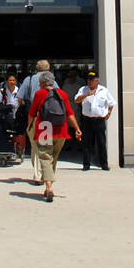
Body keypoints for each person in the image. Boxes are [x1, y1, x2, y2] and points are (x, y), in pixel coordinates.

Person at [27, 72, 82, 202]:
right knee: (53, 158)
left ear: (44, 82)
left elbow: (32, 113)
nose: (39, 84)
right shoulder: (62, 94)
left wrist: (29, 126)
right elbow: (70, 113)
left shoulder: (39, 94)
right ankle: (48, 187)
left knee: (45, 157)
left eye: (40, 82)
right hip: (61, 129)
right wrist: (77, 128)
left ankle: (49, 187)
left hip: (44, 128)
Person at [16, 59, 51, 184]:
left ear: (36, 69)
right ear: (48, 69)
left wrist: (26, 107)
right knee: (45, 146)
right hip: (47, 118)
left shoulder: (28, 80)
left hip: (32, 117)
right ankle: (42, 174)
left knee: (35, 146)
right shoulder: (51, 79)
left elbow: (19, 98)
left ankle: (38, 174)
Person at [73, 71, 116, 170]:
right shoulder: (83, 89)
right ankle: (86, 165)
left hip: (99, 120)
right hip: (87, 120)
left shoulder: (104, 90)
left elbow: (112, 103)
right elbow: (76, 100)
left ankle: (104, 164)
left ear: (97, 80)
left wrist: (109, 113)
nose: (89, 81)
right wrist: (87, 94)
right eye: (88, 79)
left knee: (101, 143)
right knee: (86, 143)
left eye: (92, 80)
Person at [0, 75, 20, 160]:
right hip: (4, 116)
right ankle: (1, 148)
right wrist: (1, 108)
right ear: (7, 81)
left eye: (13, 80)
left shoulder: (19, 91)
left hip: (16, 116)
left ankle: (14, 149)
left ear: (16, 81)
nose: (12, 82)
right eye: (10, 80)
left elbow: (22, 102)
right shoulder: (2, 91)